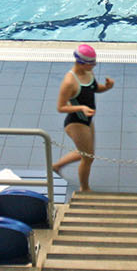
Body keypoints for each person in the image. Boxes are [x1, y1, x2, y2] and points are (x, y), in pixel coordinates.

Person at [51, 44, 114, 191]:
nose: (95, 65)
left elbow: (94, 88)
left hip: (87, 120)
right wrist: (81, 108)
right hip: (76, 123)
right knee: (88, 158)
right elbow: (60, 107)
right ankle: (84, 189)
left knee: (85, 152)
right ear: (80, 62)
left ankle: (56, 166)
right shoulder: (69, 82)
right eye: (91, 62)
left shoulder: (88, 72)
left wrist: (107, 87)